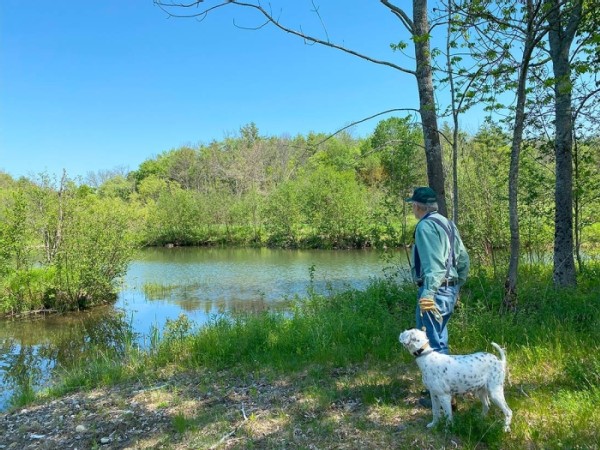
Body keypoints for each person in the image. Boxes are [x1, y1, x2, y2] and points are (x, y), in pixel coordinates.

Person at [405, 186, 470, 355]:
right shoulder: (447, 223)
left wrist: (428, 294)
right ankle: (447, 379)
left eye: (413, 205)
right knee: (440, 339)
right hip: (448, 289)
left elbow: (434, 266)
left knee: (430, 344)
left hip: (436, 291)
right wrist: (457, 287)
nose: (412, 209)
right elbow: (463, 259)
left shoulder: (424, 227)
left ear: (418, 207)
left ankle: (438, 380)